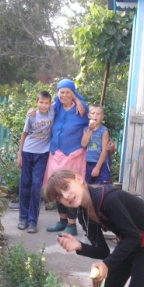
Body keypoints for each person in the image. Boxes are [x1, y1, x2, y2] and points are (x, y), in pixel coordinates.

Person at [44, 169, 144, 287]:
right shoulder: (84, 215)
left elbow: (134, 236)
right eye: (60, 197)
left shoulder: (109, 199)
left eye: (66, 187)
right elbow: (102, 251)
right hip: (127, 242)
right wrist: (79, 246)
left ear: (79, 179)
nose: (66, 195)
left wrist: (107, 264)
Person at [44, 79, 89, 236]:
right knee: (57, 188)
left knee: (70, 189)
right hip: (56, 155)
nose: (64, 95)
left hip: (73, 155)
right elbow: (41, 109)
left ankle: (71, 224)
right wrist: (31, 112)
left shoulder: (81, 109)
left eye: (68, 92)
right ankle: (62, 221)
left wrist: (78, 100)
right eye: (61, 92)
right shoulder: (55, 108)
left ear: (73, 93)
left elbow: (95, 121)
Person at [17, 91, 54, 234]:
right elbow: (24, 134)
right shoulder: (31, 115)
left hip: (43, 154)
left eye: (46, 102)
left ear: (50, 103)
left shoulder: (53, 112)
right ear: (36, 102)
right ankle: (23, 219)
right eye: (41, 102)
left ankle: (33, 221)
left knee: (36, 185)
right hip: (28, 152)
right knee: (25, 184)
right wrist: (19, 154)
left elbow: (65, 100)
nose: (44, 105)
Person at [81, 105, 111, 185]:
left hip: (101, 164)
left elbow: (105, 150)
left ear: (102, 117)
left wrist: (97, 168)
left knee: (102, 188)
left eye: (98, 114)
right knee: (89, 186)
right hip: (89, 162)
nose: (95, 115)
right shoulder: (86, 129)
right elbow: (84, 144)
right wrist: (90, 130)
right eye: (93, 113)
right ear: (89, 116)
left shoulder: (104, 131)